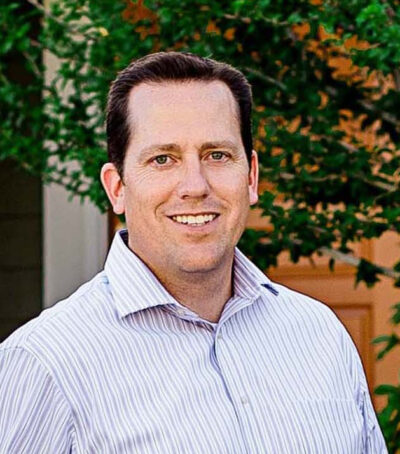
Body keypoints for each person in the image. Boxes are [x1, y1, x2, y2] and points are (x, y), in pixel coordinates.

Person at [0, 52, 387, 453]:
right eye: (162, 159)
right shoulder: (45, 363)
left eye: (216, 155)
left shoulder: (319, 336)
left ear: (251, 176)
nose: (194, 185)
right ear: (117, 188)